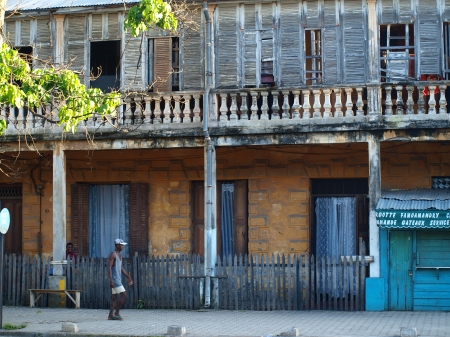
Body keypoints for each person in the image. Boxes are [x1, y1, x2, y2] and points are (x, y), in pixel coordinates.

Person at [107, 238, 133, 321]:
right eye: (122, 245)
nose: (123, 246)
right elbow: (109, 268)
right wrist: (111, 280)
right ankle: (117, 313)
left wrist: (128, 277)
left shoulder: (119, 255)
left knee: (114, 298)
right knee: (124, 295)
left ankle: (111, 315)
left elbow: (121, 267)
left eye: (123, 245)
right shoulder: (113, 254)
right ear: (117, 245)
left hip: (118, 278)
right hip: (115, 279)